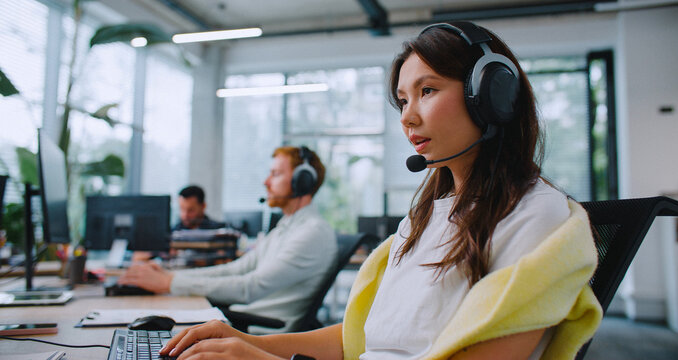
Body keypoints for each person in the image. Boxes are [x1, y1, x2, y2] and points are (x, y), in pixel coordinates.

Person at [158, 21, 602, 360]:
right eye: (403, 100)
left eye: (427, 90)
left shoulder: (536, 217)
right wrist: (249, 342)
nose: (407, 117)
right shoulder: (426, 214)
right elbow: (365, 338)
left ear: (491, 96)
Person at [118, 146, 337, 333]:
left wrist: (171, 283)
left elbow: (250, 287)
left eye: (276, 174)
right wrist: (171, 276)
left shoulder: (312, 233)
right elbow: (236, 269)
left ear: (303, 182)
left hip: (260, 333)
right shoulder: (287, 227)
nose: (266, 182)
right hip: (238, 322)